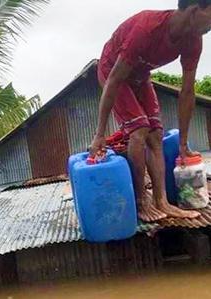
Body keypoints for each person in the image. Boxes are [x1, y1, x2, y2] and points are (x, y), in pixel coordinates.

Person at [90, 0, 211, 222]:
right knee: (140, 130)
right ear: (195, 10)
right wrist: (99, 134)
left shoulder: (194, 41)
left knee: (156, 133)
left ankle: (161, 201)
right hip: (112, 72)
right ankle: (141, 201)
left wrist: (183, 144)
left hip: (140, 75)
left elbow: (187, 92)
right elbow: (115, 78)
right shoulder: (148, 28)